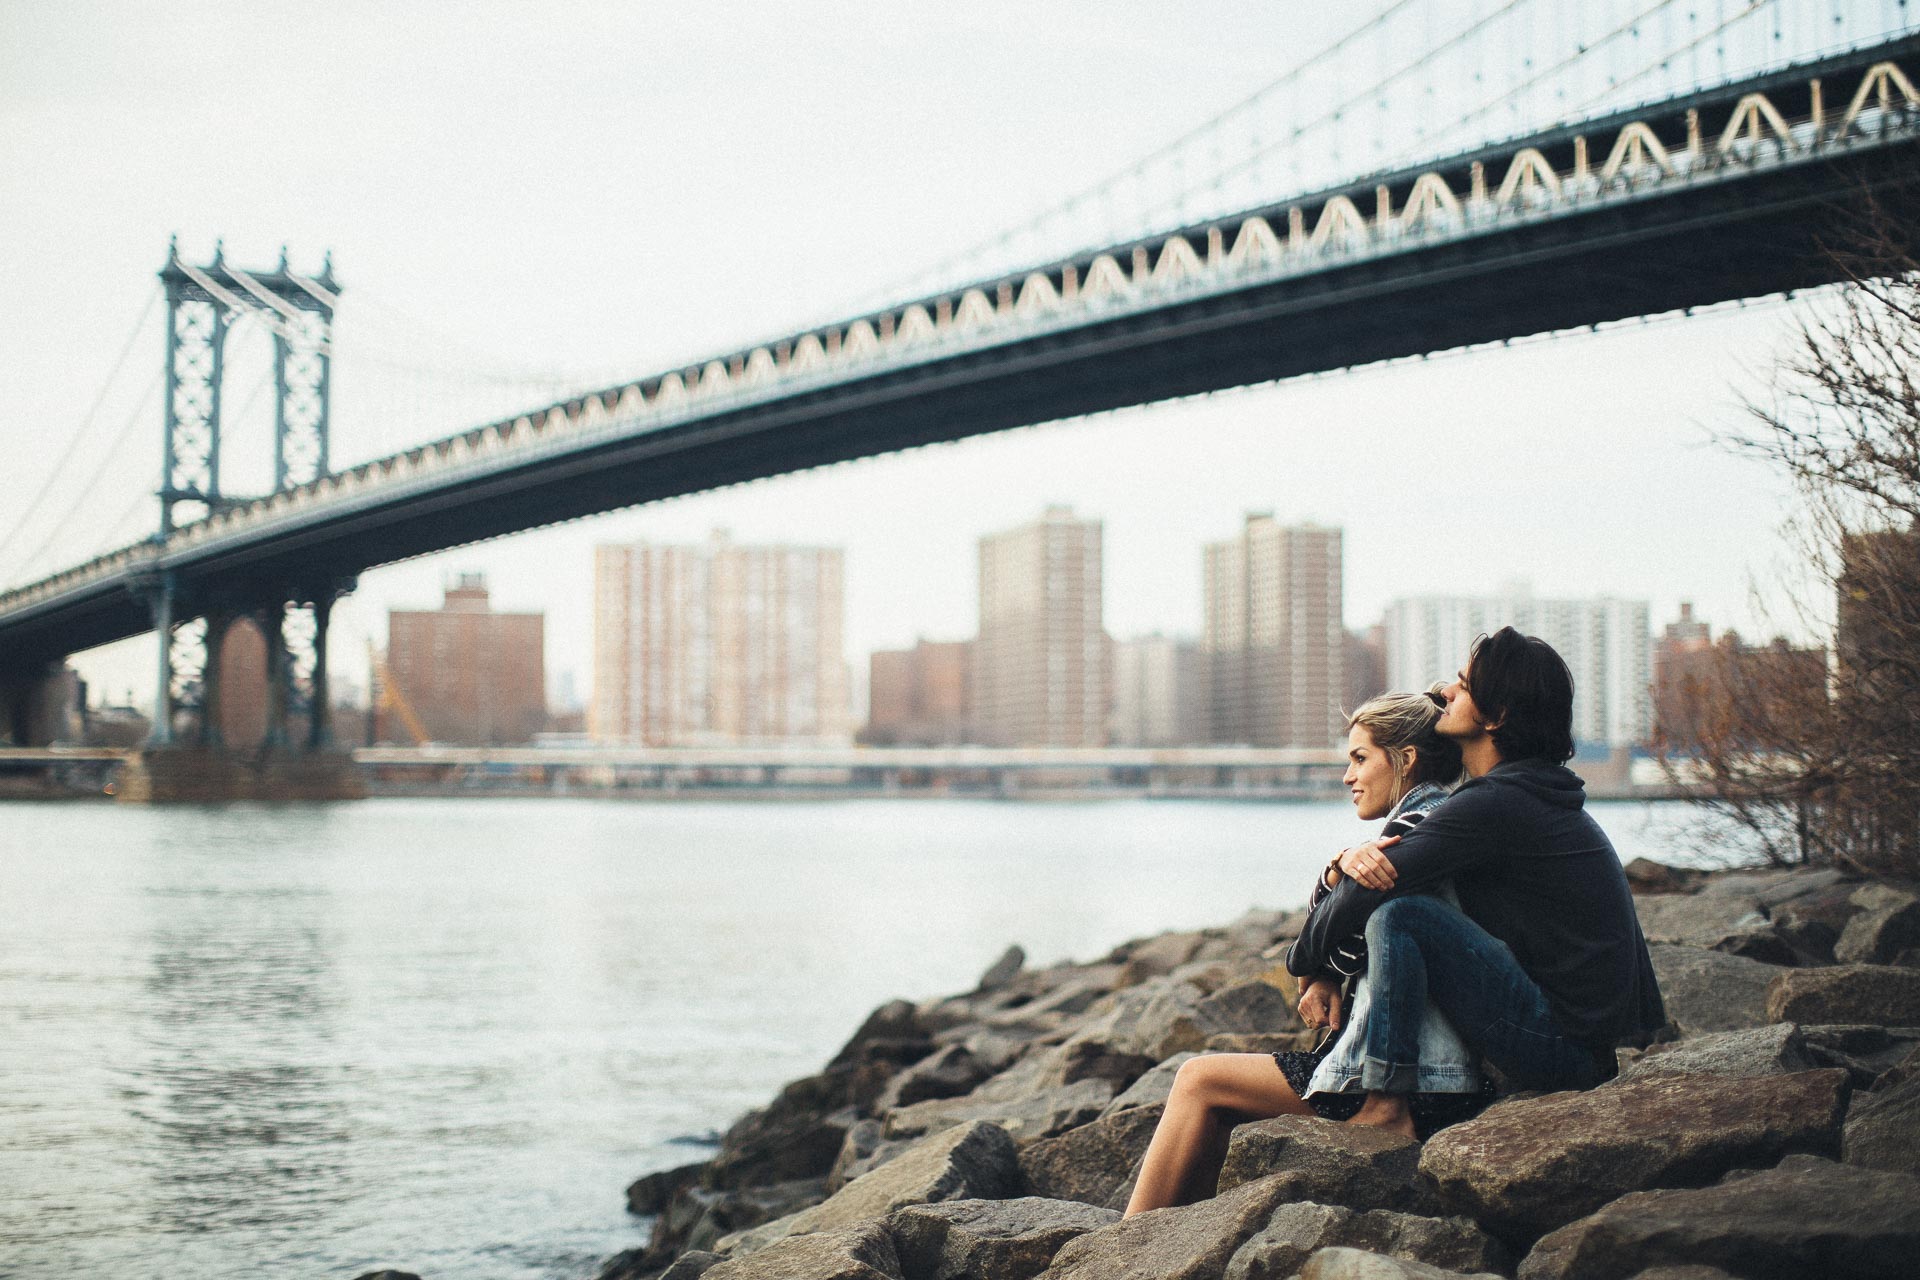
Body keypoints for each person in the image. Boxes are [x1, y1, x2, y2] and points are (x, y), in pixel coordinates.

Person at [1296, 627, 1666, 1137]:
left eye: (1464, 686)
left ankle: (1386, 1105)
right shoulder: (1526, 793)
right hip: (1585, 1044)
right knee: (1403, 910)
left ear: (1497, 716)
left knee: (1401, 917)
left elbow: (1367, 891)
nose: (1448, 692)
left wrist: (1305, 962)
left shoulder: (1495, 804)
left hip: (1563, 1050)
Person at [1122, 691, 1472, 1217]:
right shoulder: (1426, 820)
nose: (1347, 776)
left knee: (1198, 1079)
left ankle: (1127, 1248)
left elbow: (1344, 917)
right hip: (1411, 1067)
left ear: (1405, 759)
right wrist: (1335, 873)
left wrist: (1314, 964)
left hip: (1415, 1078)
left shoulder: (1420, 826)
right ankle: (1169, 1238)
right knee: (1212, 1098)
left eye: (1360, 758)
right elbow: (1343, 913)